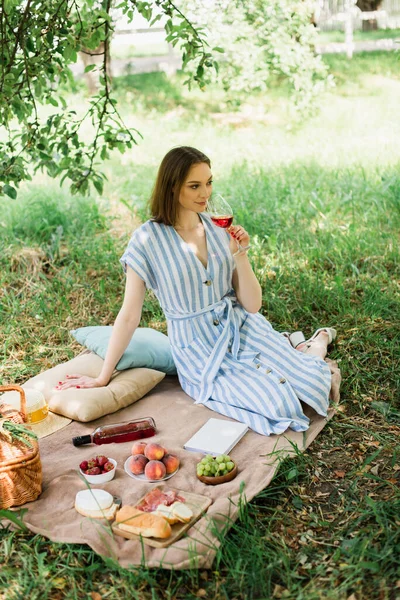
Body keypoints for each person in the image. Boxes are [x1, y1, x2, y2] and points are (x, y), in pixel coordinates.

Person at [56, 146, 337, 436]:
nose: (206, 193)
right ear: (172, 187)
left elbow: (252, 306)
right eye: (195, 186)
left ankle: (316, 344)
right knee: (277, 404)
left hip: (243, 327)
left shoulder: (218, 227)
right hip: (199, 347)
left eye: (209, 182)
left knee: (315, 383)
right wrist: (104, 377)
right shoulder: (146, 240)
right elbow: (129, 315)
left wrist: (241, 254)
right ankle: (303, 346)